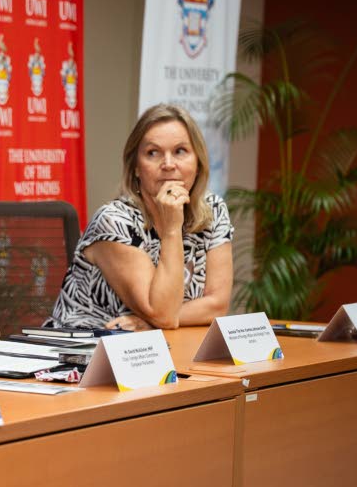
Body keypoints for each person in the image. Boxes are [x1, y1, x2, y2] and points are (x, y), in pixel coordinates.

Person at [48, 103, 233, 330]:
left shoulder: (213, 210)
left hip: (156, 350)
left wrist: (149, 322)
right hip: (82, 355)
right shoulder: (114, 221)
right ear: (136, 166)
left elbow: (216, 305)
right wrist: (172, 229)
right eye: (153, 153)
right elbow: (163, 314)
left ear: (198, 162)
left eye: (180, 151)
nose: (168, 164)